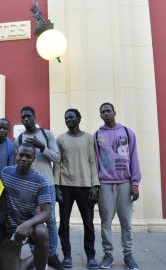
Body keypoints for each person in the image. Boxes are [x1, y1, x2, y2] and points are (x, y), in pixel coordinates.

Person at [14, 106, 63, 269]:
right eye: (23, 117)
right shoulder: (19, 138)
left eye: (28, 116)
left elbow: (57, 158)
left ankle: (52, 254)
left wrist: (41, 146)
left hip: (47, 184)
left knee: (50, 220)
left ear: (34, 116)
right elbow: (18, 162)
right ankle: (37, 253)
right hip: (27, 186)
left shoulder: (46, 134)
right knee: (30, 220)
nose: (25, 119)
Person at [94, 103, 141, 270]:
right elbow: (94, 162)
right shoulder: (97, 135)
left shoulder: (127, 132)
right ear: (100, 115)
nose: (106, 114)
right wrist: (95, 185)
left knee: (126, 222)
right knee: (105, 221)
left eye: (108, 111)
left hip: (125, 183)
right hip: (105, 184)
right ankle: (108, 255)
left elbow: (134, 157)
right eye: (103, 112)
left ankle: (128, 255)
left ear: (114, 112)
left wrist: (135, 183)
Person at [54, 109, 99, 269]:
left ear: (79, 118)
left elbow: (92, 162)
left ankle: (91, 257)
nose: (68, 120)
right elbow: (57, 163)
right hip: (65, 186)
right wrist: (56, 186)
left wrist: (95, 185)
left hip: (85, 186)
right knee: (64, 223)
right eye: (66, 118)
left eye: (71, 117)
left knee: (88, 223)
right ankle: (67, 256)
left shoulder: (88, 138)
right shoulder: (60, 139)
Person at [0, 143, 51, 270]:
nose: (24, 159)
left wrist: (27, 224)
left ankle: (41, 265)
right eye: (21, 155)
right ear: (16, 155)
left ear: (34, 159)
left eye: (28, 156)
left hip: (30, 227)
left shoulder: (40, 181)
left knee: (42, 232)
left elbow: (47, 212)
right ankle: (39, 257)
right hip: (10, 230)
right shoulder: (5, 173)